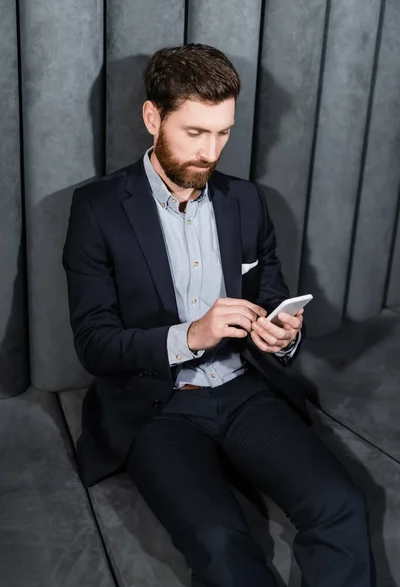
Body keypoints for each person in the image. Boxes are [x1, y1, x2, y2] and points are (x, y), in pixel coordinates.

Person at [63, 43, 375, 587]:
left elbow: (271, 292)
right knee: (222, 544)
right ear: (152, 117)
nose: (211, 151)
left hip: (245, 389)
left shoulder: (247, 201)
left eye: (223, 132)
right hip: (157, 409)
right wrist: (192, 335)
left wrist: (280, 337)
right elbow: (94, 343)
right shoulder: (96, 209)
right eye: (195, 132)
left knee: (340, 503)